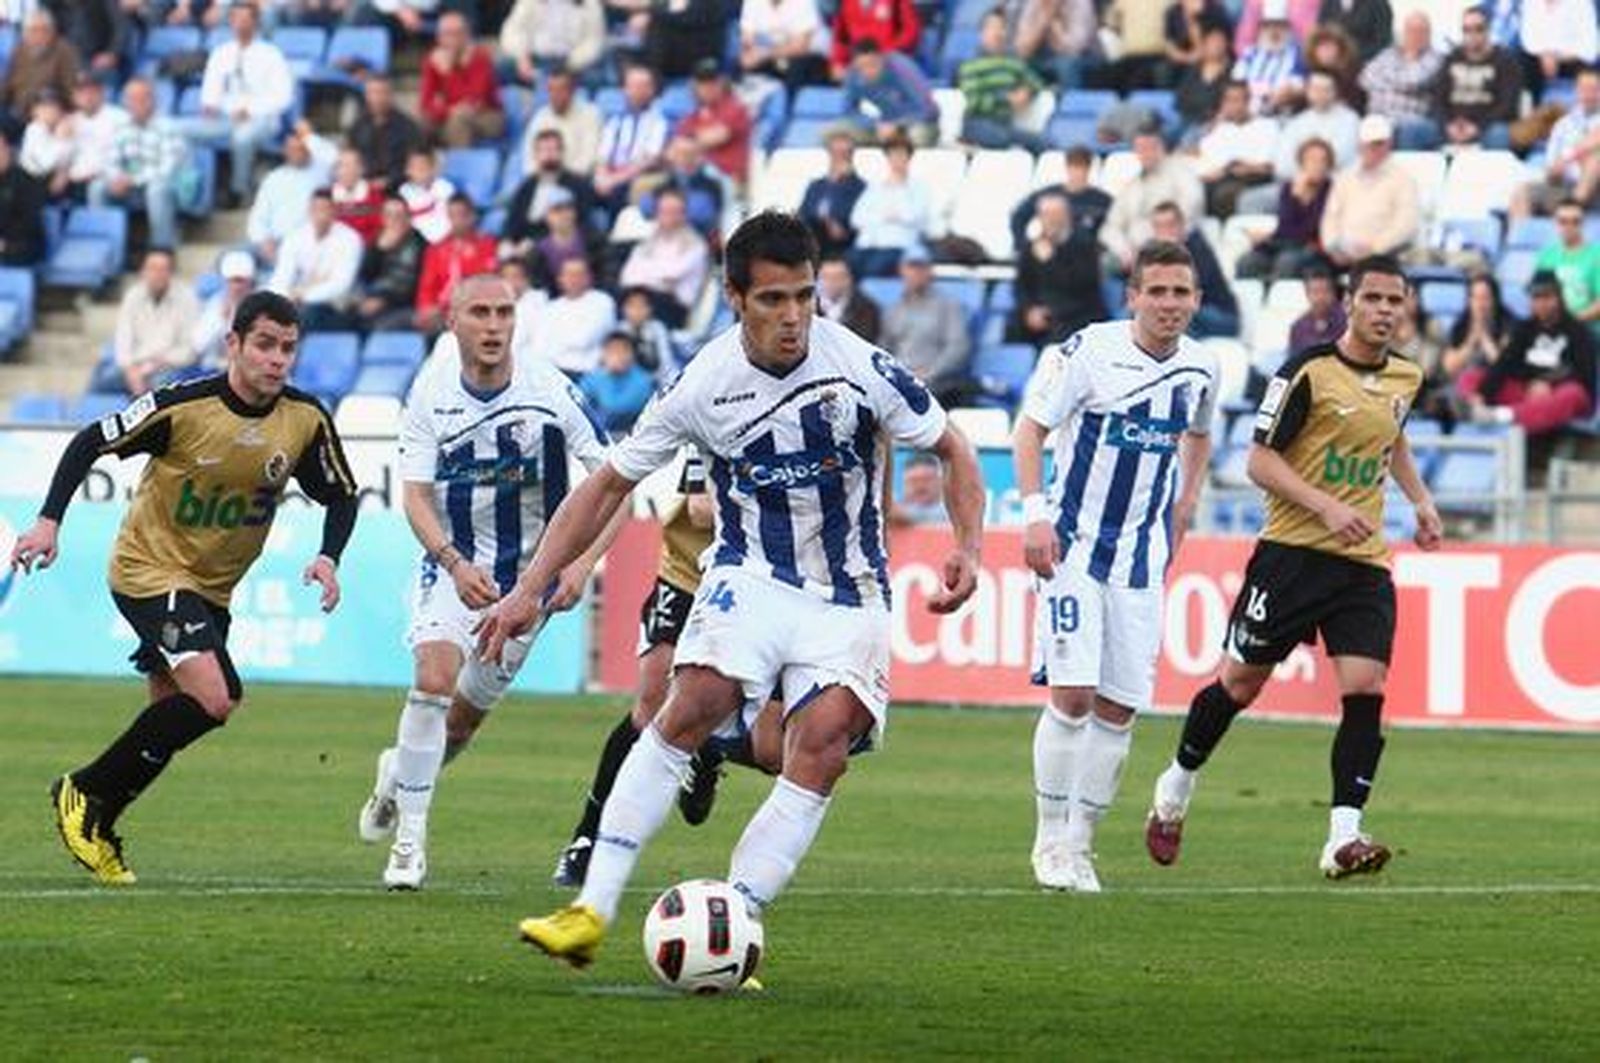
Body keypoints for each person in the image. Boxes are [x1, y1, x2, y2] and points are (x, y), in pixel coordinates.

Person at [480, 210, 985, 970]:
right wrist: (529, 586)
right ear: (733, 297)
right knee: (692, 704)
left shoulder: (862, 368)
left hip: (849, 594)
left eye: (805, 297)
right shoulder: (701, 385)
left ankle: (732, 924)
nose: (793, 317)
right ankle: (589, 910)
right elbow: (608, 483)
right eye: (773, 300)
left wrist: (969, 547)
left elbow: (953, 446)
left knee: (820, 750)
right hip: (748, 576)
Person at [11, 292, 358, 886]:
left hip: (212, 589)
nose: (278, 360)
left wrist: (328, 557)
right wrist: (48, 521)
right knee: (218, 698)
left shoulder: (304, 419)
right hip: (148, 570)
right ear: (235, 344)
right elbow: (90, 440)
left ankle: (97, 822)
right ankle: (81, 789)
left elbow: (342, 494)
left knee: (169, 715)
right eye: (266, 345)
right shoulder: (183, 406)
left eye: (288, 348)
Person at [1145, 255, 1443, 881]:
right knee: (1239, 686)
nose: (1386, 311)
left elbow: (1393, 440)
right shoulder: (1307, 370)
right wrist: (1326, 506)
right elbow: (1258, 461)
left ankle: (1341, 838)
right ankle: (1175, 786)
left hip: (1361, 565)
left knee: (1366, 690)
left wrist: (1419, 500)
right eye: (1374, 300)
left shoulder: (1407, 377)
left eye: (1396, 301)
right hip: (1290, 559)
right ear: (1350, 303)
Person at [354, 273, 612, 890]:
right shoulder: (431, 393)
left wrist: (579, 565)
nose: (493, 325)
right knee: (433, 680)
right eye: (480, 313)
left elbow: (614, 484)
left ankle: (398, 773)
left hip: (530, 584)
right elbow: (414, 496)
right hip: (455, 567)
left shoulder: (550, 389)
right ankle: (410, 844)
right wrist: (449, 560)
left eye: (503, 313)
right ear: (453, 321)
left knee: (460, 728)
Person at [1014, 239, 1218, 892]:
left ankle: (1080, 847)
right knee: (1072, 694)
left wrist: (1185, 502)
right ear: (1132, 296)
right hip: (1073, 548)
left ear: (1197, 300)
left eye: (1180, 291)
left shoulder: (1201, 368)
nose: (1168, 303)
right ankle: (1048, 840)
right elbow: (1029, 429)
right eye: (1155, 290)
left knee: (1119, 707)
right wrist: (1034, 513)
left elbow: (1200, 431)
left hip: (1140, 557)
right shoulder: (1088, 351)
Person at [548, 452, 730, 888]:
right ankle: (587, 839)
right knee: (648, 708)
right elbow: (701, 511)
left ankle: (708, 749)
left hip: (758, 582)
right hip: (686, 576)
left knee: (769, 746)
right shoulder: (714, 416)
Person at [1461, 270, 1597, 436]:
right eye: (1535, 298)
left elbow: (1584, 375)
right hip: (1527, 393)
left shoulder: (1578, 331)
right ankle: (1475, 408)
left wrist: (1548, 383)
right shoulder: (1524, 329)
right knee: (1472, 377)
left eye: (1546, 297)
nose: (1540, 303)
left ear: (1558, 298)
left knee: (1573, 394)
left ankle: (1505, 415)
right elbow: (1504, 364)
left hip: (1559, 395)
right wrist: (1482, 394)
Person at [181, 2, 293, 204]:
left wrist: (249, 110)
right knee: (181, 129)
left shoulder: (271, 55)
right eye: (236, 18)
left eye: (245, 19)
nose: (240, 24)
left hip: (262, 118)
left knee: (242, 137)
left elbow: (283, 96)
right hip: (225, 118)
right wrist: (210, 104)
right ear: (230, 20)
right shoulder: (220, 53)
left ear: (255, 22)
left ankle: (238, 190)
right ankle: (190, 187)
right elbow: (210, 90)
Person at [1319, 115, 1419, 268]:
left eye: (1379, 144)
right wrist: (1333, 247)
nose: (1373, 149)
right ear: (1359, 145)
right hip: (1342, 253)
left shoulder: (1403, 180)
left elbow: (1405, 225)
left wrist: (1375, 248)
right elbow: (1330, 218)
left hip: (1384, 254)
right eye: (1369, 144)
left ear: (1389, 145)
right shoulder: (1344, 178)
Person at [882, 244, 972, 407]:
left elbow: (958, 347)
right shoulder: (894, 309)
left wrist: (931, 373)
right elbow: (884, 347)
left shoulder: (948, 305)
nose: (916, 273)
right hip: (898, 380)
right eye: (911, 267)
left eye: (921, 267)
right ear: (901, 271)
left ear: (930, 271)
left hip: (934, 381)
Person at [268, 188, 365, 333]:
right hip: (298, 303)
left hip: (337, 306)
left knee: (304, 315)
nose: (320, 214)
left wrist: (303, 296)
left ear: (334, 211)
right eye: (315, 209)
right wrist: (286, 298)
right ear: (309, 211)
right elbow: (280, 277)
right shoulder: (295, 237)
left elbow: (341, 285)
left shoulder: (350, 239)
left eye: (325, 209)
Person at [114, 248, 202, 396]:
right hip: (136, 365)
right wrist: (130, 370)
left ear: (171, 273)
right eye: (153, 268)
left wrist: (157, 364)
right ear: (143, 271)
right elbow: (123, 339)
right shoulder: (132, 296)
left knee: (159, 385)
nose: (158, 274)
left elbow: (190, 349)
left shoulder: (187, 298)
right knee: (102, 378)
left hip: (170, 366)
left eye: (164, 269)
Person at [1437, 6, 1523, 151]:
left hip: (1487, 127)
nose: (1472, 34)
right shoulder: (1451, 58)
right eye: (1466, 29)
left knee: (1499, 134)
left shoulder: (1505, 61)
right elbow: (1437, 98)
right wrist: (1448, 125)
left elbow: (1508, 105)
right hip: (1451, 126)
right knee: (1413, 130)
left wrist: (1478, 126)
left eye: (1478, 28)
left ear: (1488, 29)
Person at [418, 12, 506, 148]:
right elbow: (426, 104)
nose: (453, 39)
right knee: (421, 124)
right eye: (447, 34)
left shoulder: (480, 57)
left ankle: (460, 166)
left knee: (459, 121)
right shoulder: (432, 61)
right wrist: (447, 110)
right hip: (449, 115)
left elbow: (474, 100)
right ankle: (422, 167)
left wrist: (449, 73)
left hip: (488, 115)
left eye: (458, 33)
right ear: (439, 37)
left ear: (467, 34)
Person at [798, 129, 867, 260]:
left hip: (842, 240)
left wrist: (842, 181)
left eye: (845, 154)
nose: (839, 158)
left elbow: (858, 218)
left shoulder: (859, 186)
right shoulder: (816, 185)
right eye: (836, 153)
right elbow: (803, 212)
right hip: (813, 234)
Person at [348, 75, 423, 188]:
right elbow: (351, 159)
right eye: (373, 92)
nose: (377, 98)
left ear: (390, 95)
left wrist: (389, 180)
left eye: (382, 92)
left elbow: (414, 162)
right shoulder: (357, 127)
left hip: (400, 188)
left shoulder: (408, 127)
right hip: (364, 188)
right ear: (366, 96)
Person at [1534, 199, 1600, 329]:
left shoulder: (1596, 255)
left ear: (1583, 224)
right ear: (1555, 223)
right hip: (1552, 330)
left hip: (1586, 333)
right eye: (1563, 221)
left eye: (1575, 222)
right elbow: (1536, 296)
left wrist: (1570, 322)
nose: (1569, 227)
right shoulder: (1546, 256)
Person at [582, 331, 657, 435]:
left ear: (633, 354)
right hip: (599, 438)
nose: (618, 356)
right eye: (612, 351)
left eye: (623, 351)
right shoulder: (594, 376)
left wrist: (609, 373)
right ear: (603, 354)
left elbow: (614, 408)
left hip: (632, 437)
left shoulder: (643, 380)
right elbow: (577, 401)